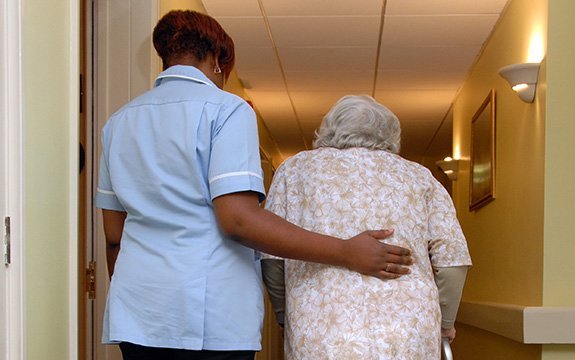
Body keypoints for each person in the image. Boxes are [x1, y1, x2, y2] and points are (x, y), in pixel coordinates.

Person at [95, 11, 412, 360]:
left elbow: (114, 236)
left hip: (138, 314)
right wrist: (345, 251)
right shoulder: (226, 110)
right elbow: (238, 220)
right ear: (218, 59)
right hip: (208, 318)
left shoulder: (118, 123)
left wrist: (140, 302)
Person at [261, 95, 472, 359]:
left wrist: (285, 316)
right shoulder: (420, 177)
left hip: (322, 329)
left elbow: (271, 257)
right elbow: (453, 260)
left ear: (328, 128)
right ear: (391, 135)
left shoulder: (294, 171)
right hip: (408, 331)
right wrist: (445, 322)